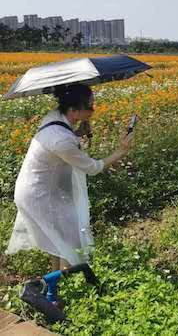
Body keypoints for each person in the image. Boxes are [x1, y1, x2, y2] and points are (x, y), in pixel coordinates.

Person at [6, 84, 134, 275]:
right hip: (38, 193)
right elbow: (92, 168)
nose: (93, 109)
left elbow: (57, 143)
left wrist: (78, 133)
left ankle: (56, 281)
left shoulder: (55, 117)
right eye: (90, 106)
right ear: (73, 111)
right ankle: (67, 282)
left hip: (37, 186)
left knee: (59, 237)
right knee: (69, 239)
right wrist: (121, 151)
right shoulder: (62, 139)